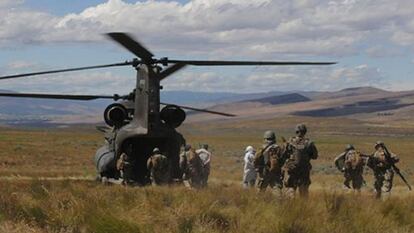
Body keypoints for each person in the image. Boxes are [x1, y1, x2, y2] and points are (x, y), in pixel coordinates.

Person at [283, 124, 318, 197]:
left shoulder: (290, 142)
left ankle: (290, 206)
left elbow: (283, 155)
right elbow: (315, 156)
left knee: (291, 188)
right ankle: (303, 206)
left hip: (292, 169)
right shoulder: (309, 143)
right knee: (304, 190)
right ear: (305, 132)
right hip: (304, 170)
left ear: (296, 131)